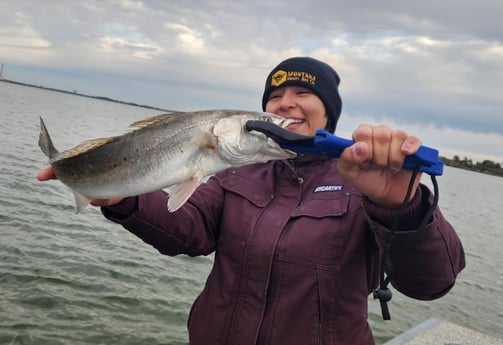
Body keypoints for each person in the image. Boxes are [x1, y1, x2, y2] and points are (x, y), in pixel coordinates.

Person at [38, 57, 465, 345]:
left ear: (329, 113)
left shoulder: (365, 181)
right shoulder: (238, 171)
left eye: (304, 95)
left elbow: (431, 282)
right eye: (274, 100)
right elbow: (188, 232)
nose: (286, 105)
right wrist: (123, 200)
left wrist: (404, 206)